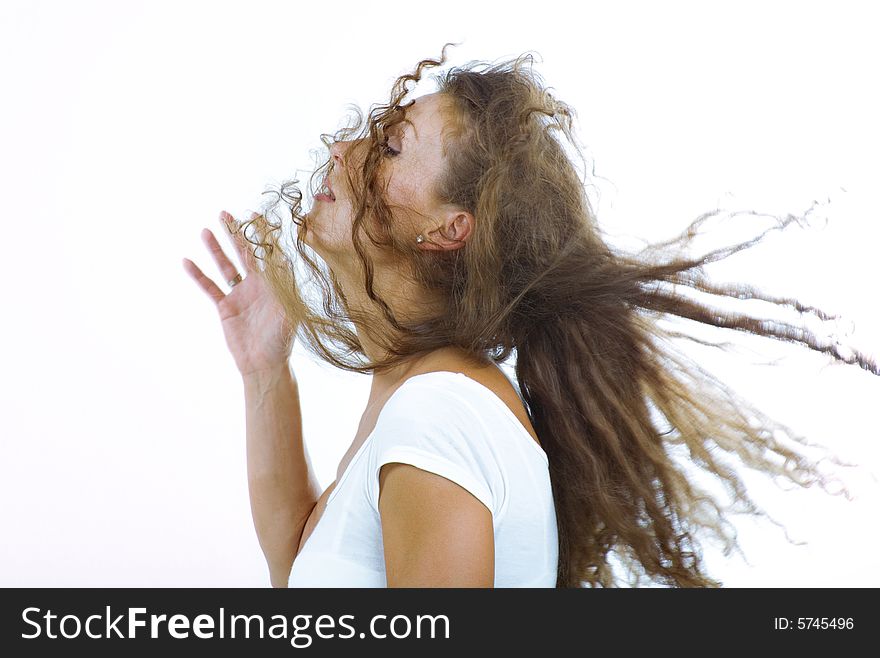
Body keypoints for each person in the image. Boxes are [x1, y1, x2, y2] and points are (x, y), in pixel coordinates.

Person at [183, 44, 879, 588]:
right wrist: (265, 370)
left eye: (391, 147)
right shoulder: (418, 397)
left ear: (449, 229)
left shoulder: (440, 414)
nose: (344, 150)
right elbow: (300, 568)